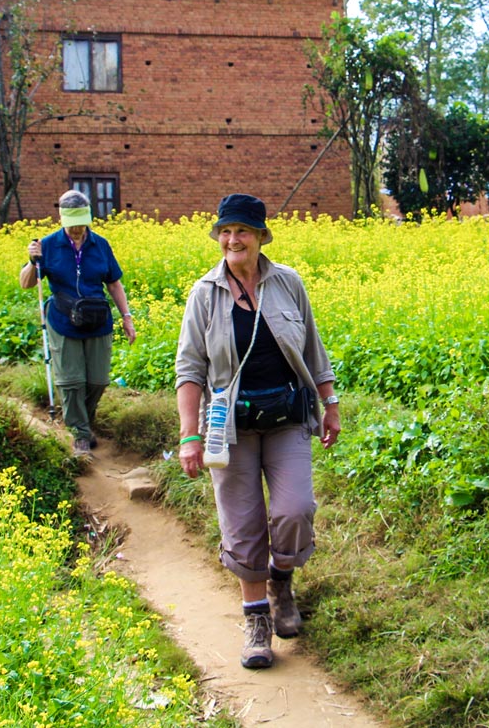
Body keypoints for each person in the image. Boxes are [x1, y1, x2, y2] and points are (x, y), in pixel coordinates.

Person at [175, 193, 341, 669]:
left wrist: (330, 406)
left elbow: (313, 349)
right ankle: (256, 620)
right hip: (230, 428)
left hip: (287, 415)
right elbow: (189, 369)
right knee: (243, 524)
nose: (232, 239)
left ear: (261, 236)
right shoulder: (204, 294)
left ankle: (281, 582)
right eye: (225, 232)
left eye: (242, 231)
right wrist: (189, 436)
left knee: (295, 510)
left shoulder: (287, 283)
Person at [20, 189, 136, 454]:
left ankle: (83, 421)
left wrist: (127, 318)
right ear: (62, 220)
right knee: (71, 381)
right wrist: (31, 261)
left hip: (97, 319)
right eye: (71, 224)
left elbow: (114, 283)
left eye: (81, 223)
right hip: (63, 320)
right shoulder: (48, 245)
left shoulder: (101, 245)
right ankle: (80, 434)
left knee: (97, 380)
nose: (76, 230)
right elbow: (27, 284)